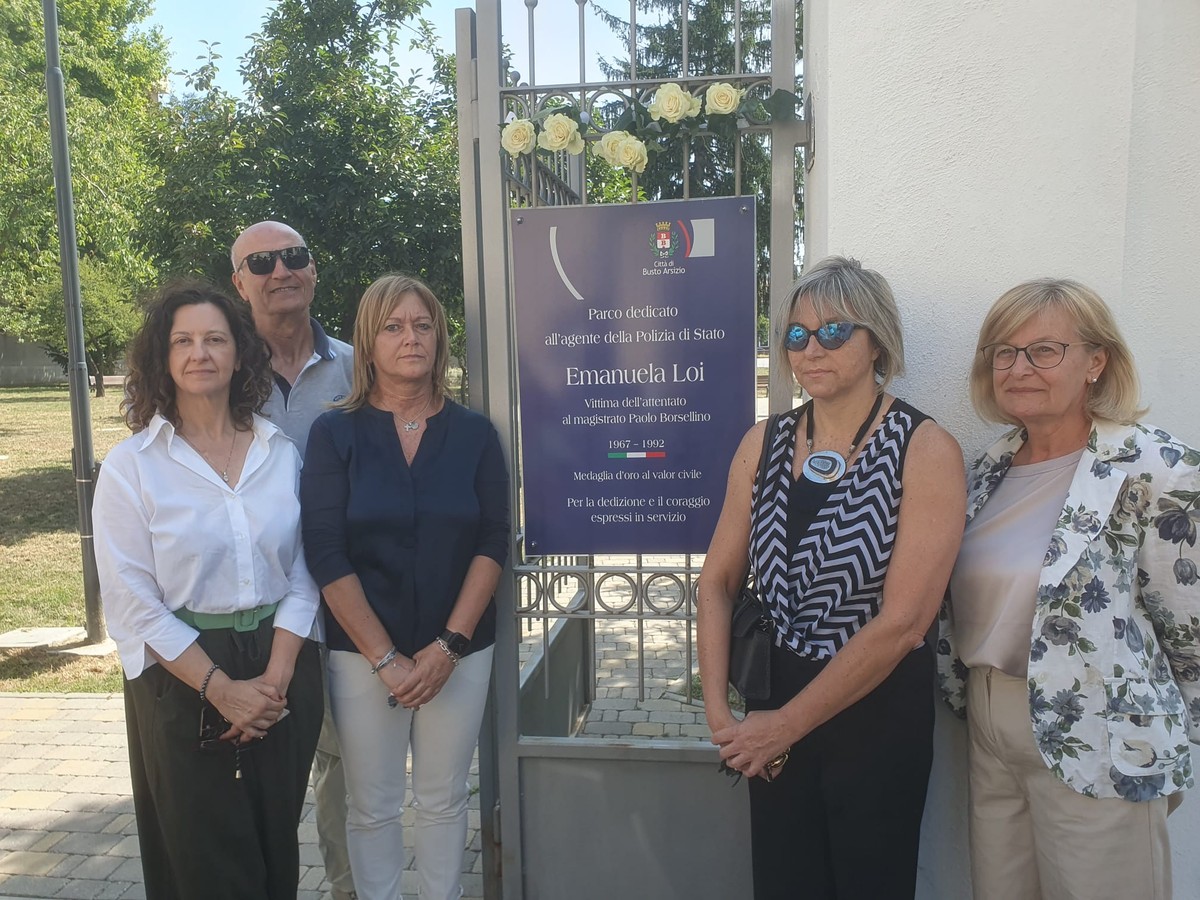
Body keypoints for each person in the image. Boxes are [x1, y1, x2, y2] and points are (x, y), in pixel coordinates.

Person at [696, 256, 967, 899]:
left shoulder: (925, 449)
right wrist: (722, 718)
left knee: (870, 881)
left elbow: (904, 624)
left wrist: (786, 725)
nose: (811, 349)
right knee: (785, 880)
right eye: (797, 334)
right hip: (771, 702)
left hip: (876, 709)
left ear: (877, 342)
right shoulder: (763, 443)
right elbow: (716, 582)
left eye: (834, 332)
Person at [938, 278, 1200, 900]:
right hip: (988, 722)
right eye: (1004, 352)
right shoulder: (988, 468)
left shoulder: (1157, 468)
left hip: (1100, 731)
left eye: (1044, 350)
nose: (1019, 367)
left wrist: (1172, 738)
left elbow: (1189, 621)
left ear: (1096, 362)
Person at [92, 280, 322, 899]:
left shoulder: (279, 452)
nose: (200, 353)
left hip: (280, 663)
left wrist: (274, 679)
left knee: (273, 847)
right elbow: (133, 601)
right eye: (183, 341)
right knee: (203, 861)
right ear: (162, 358)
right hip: (182, 673)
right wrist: (221, 690)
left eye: (215, 339)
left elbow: (306, 567)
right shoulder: (133, 466)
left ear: (240, 353)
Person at [300, 273, 509, 900]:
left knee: (444, 797)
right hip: (361, 652)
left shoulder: (475, 434)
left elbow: (492, 541)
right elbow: (325, 550)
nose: (410, 338)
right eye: (393, 327)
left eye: (422, 325)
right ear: (368, 342)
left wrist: (448, 646)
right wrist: (385, 658)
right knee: (372, 804)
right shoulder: (333, 434)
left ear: (439, 338)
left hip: (460, 650)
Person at [230, 219, 357, 900]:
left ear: (313, 268)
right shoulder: (219, 370)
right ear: (239, 283)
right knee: (250, 774)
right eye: (261, 262)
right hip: (247, 615)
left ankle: (349, 890)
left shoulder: (359, 367)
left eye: (294, 256)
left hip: (344, 604)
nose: (280, 270)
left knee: (347, 765)